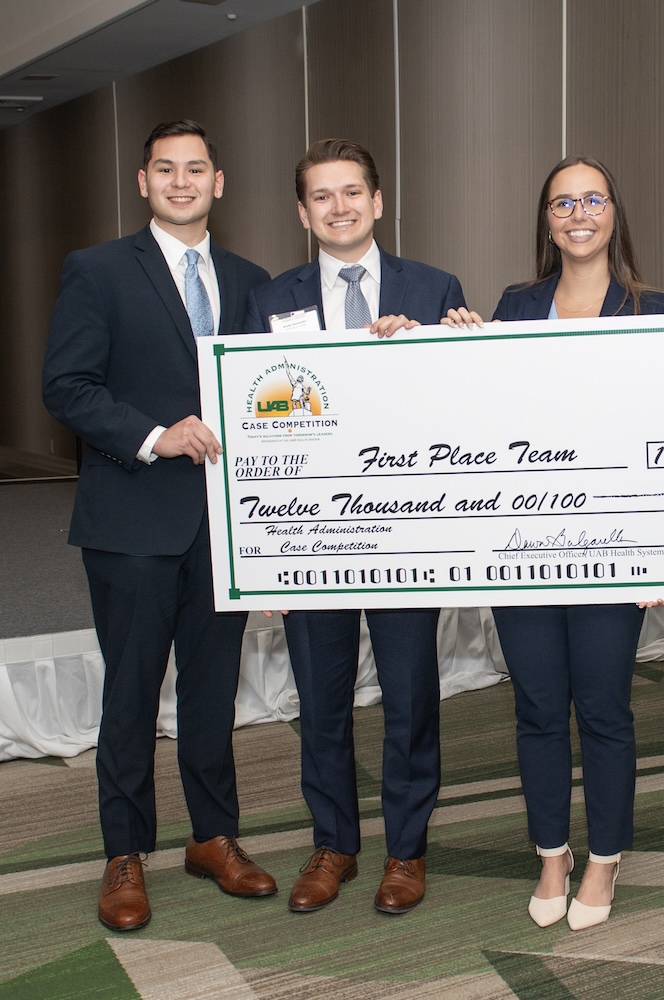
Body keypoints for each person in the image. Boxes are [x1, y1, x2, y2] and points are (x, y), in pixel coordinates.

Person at [42, 120, 275, 932]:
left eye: (197, 169)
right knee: (133, 696)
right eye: (166, 170)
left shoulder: (253, 281)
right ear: (142, 182)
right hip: (133, 523)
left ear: (220, 183)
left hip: (223, 530)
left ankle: (213, 837)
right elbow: (66, 386)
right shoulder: (98, 270)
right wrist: (155, 435)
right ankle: (124, 853)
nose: (182, 182)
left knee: (213, 697)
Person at [447, 156, 664, 931]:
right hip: (525, 545)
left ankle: (605, 857)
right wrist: (453, 346)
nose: (578, 213)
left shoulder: (653, 309)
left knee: (604, 708)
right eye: (561, 203)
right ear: (546, 220)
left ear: (614, 211)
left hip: (615, 547)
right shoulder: (514, 305)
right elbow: (482, 416)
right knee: (539, 708)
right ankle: (553, 853)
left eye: (592, 199)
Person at [243, 138, 467, 916]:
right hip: (311, 538)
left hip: (407, 534)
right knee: (321, 698)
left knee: (411, 696)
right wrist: (260, 554)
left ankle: (407, 849)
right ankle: (334, 841)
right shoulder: (270, 303)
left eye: (352, 193)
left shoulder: (435, 287)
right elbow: (253, 429)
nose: (339, 207)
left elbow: (463, 411)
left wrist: (453, 346)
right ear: (303, 213)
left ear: (378, 201)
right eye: (321, 197)